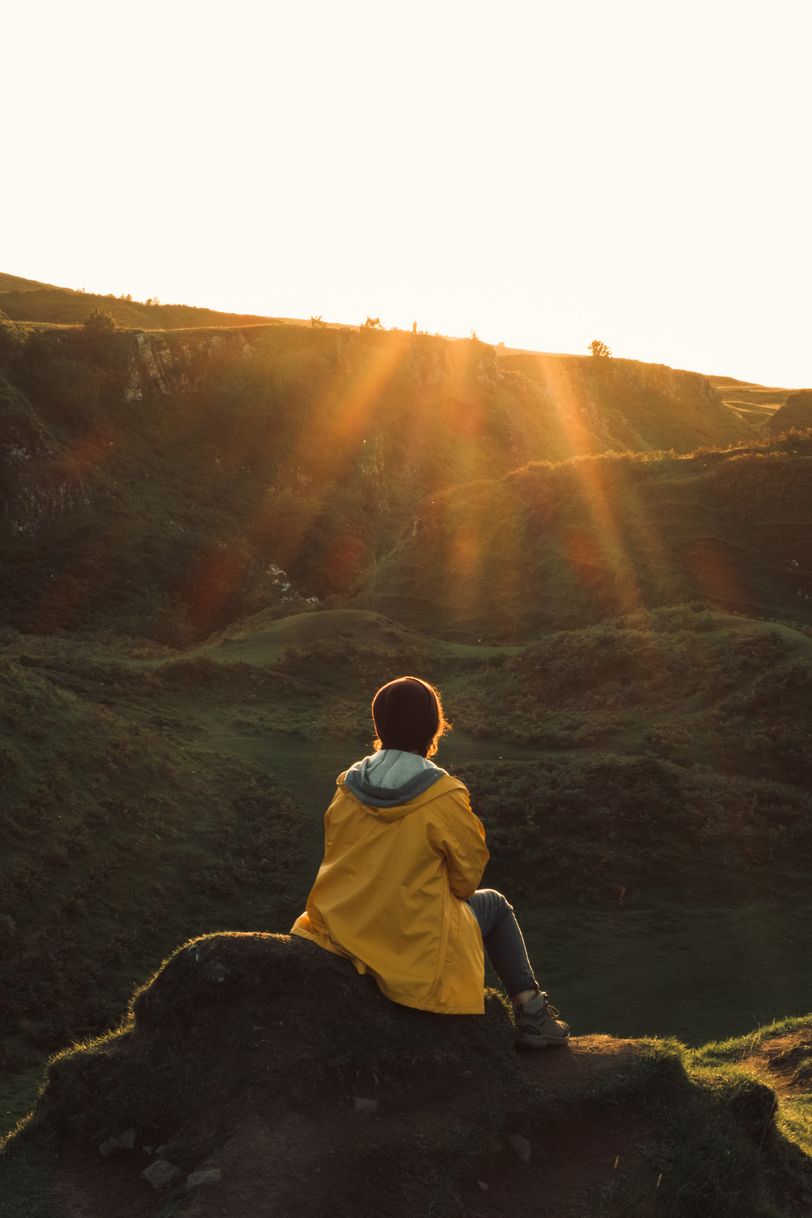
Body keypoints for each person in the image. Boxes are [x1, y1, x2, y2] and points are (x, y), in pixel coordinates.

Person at [291, 675, 569, 1048]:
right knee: (496, 905)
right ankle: (533, 1016)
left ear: (379, 725)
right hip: (407, 939)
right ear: (432, 728)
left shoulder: (346, 788)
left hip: (344, 927)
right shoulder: (444, 795)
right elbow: (465, 883)